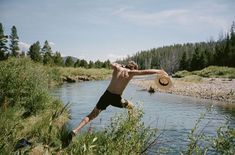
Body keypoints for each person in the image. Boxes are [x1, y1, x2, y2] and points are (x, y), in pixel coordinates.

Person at [62, 61, 168, 147]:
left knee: (91, 115)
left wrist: (118, 65)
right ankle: (133, 127)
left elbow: (112, 63)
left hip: (106, 96)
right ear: (134, 68)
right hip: (116, 99)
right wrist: (159, 71)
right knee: (132, 106)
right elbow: (146, 71)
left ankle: (75, 130)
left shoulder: (117, 68)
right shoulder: (131, 73)